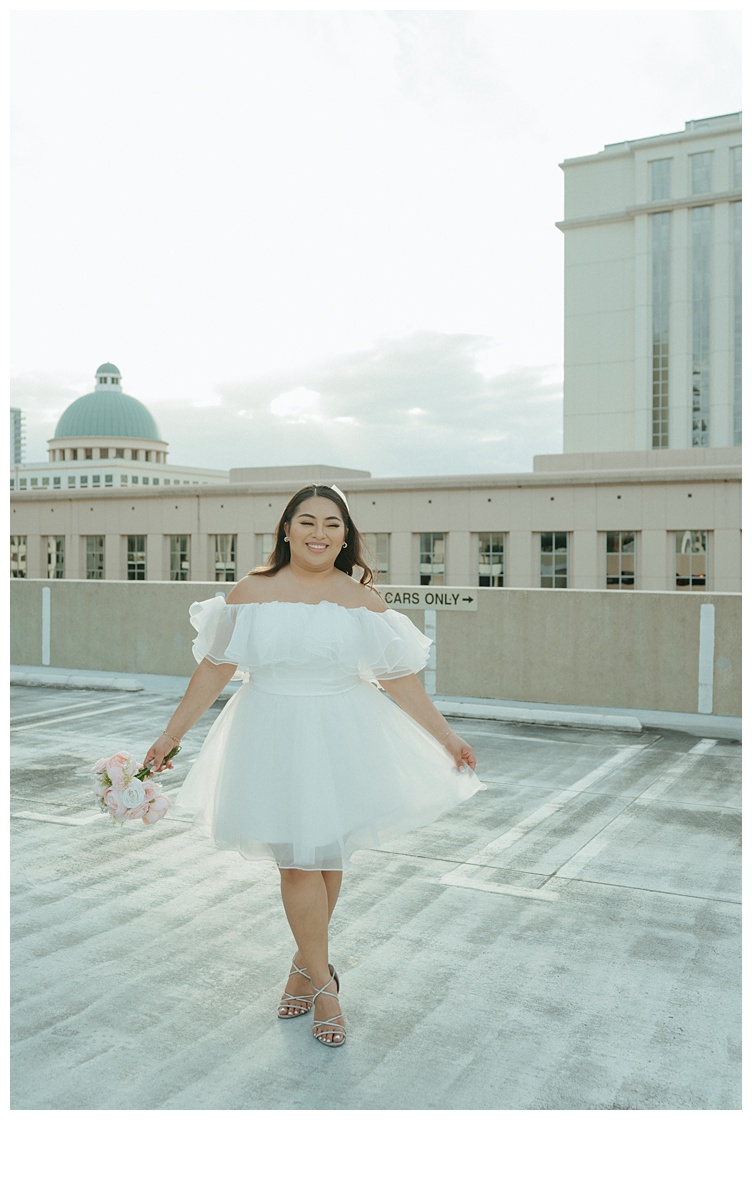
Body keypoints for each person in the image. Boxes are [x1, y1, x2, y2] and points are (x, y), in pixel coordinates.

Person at [143, 484, 485, 1048]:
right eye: (307, 521)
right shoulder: (250, 591)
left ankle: (305, 967)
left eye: (332, 523)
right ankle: (326, 988)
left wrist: (447, 737)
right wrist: (170, 736)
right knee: (297, 864)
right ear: (285, 529)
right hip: (270, 730)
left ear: (345, 535)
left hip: (341, 730)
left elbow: (397, 678)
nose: (319, 533)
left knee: (325, 858)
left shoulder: (359, 598)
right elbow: (214, 669)